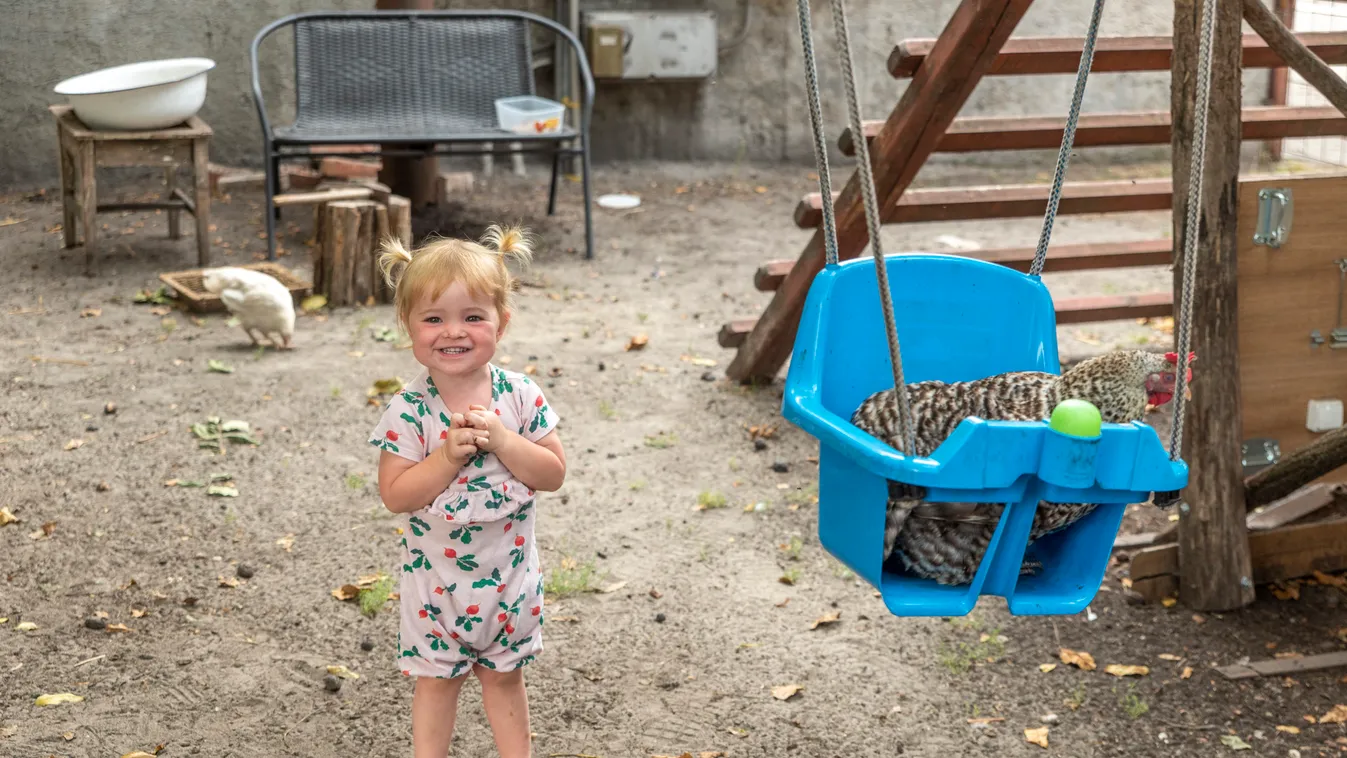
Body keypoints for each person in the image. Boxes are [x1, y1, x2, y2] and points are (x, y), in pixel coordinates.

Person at [368, 225, 565, 758]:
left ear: (502, 320)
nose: (453, 331)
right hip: (436, 589)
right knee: (437, 683)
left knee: (504, 680)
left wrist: (503, 439)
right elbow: (396, 494)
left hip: (511, 585)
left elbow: (551, 474)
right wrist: (446, 456)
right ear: (407, 326)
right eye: (433, 318)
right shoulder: (408, 411)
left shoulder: (522, 396)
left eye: (473, 316)